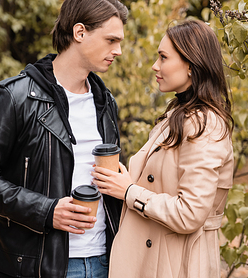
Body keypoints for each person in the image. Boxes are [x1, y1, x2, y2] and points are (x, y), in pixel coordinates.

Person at [0, 0, 127, 278]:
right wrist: (46, 211)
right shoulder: (15, 97)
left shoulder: (106, 102)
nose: (118, 50)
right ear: (80, 33)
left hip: (104, 261)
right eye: (111, 40)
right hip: (36, 266)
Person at [92, 19, 234, 278]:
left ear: (191, 65)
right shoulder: (179, 116)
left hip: (176, 263)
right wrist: (124, 179)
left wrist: (129, 191)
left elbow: (190, 213)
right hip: (155, 256)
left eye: (163, 57)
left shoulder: (206, 124)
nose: (155, 66)